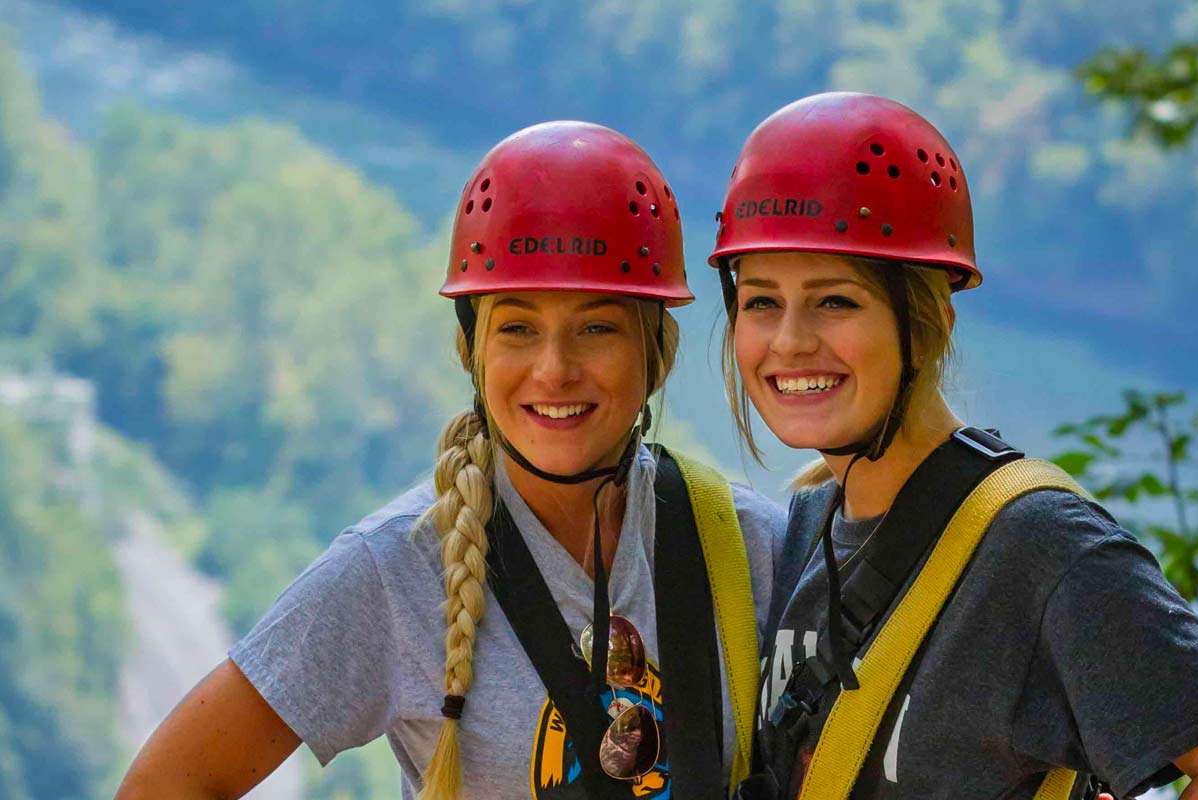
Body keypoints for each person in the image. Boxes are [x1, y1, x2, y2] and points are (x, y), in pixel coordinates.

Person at [114, 121, 784, 800]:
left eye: (596, 328)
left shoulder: (750, 549)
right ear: (471, 353)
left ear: (658, 355)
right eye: (518, 328)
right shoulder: (394, 571)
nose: (554, 371)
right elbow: (167, 785)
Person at [708, 92, 1198, 800]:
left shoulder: (1039, 549)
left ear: (927, 315)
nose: (789, 341)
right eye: (760, 301)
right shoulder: (811, 526)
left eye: (835, 300)